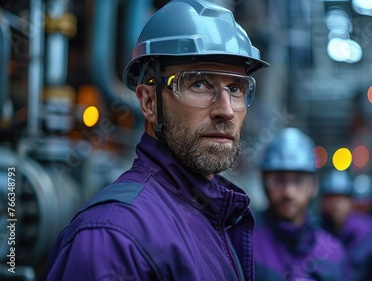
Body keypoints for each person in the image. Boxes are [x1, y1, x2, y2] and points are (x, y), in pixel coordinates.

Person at [44, 0, 268, 280]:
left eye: (236, 88)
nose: (225, 109)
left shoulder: (214, 216)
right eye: (198, 83)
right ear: (149, 102)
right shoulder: (111, 238)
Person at [253, 127, 351, 280]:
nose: (288, 192)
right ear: (264, 182)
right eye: (279, 179)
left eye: (298, 181)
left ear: (314, 185)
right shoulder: (244, 242)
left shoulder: (333, 253)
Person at [320, 170, 372, 281]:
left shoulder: (364, 231)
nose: (336, 203)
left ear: (351, 201)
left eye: (341, 197)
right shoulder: (317, 229)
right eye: (331, 197)